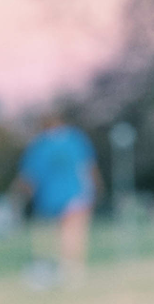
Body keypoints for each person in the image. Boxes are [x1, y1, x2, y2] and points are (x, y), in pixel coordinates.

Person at [11, 114, 101, 288]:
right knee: (74, 234)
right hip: (77, 194)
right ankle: (72, 273)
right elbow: (89, 167)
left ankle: (57, 271)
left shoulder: (38, 146)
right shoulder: (75, 139)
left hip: (49, 199)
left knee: (52, 237)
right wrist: (97, 188)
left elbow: (28, 178)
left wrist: (16, 198)